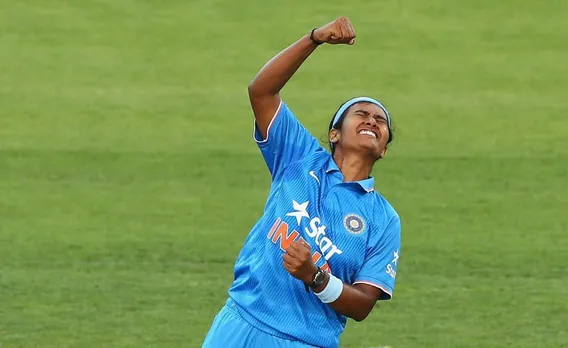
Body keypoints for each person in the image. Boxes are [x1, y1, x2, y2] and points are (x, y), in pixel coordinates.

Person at [202, 16, 401, 348]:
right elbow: (261, 91)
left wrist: (315, 277)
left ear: (383, 149)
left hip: (305, 342)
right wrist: (315, 38)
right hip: (240, 324)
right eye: (361, 114)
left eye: (381, 121)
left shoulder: (383, 219)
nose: (372, 120)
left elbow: (363, 304)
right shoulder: (299, 156)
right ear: (334, 134)